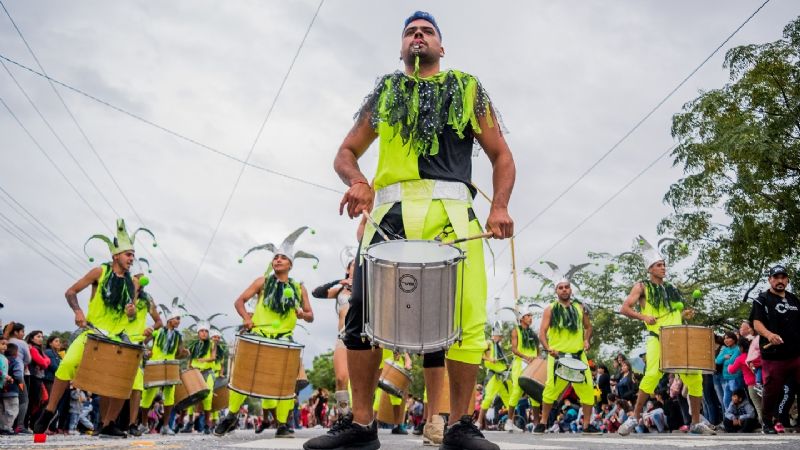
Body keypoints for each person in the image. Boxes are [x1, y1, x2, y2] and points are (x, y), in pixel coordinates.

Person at [306, 10, 515, 450]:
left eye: (427, 31)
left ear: (441, 46)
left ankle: (459, 426)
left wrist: (499, 206)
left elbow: (501, 156)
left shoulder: (467, 89)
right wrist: (358, 182)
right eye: (410, 32)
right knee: (362, 316)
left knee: (466, 318)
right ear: (402, 48)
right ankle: (362, 427)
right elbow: (346, 151)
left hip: (452, 217)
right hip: (389, 217)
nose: (418, 36)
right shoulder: (385, 93)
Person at [34, 218, 155, 438]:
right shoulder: (99, 272)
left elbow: (132, 313)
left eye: (133, 255)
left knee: (125, 379)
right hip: (93, 332)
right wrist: (78, 312)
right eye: (129, 254)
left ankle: (108, 424)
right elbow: (71, 292)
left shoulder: (133, 283)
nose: (132, 258)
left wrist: (131, 312)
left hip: (119, 337)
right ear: (116, 255)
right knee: (68, 364)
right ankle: (49, 411)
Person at [215, 227, 316, 438]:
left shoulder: (299, 288)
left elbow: (310, 315)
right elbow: (239, 301)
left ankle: (282, 425)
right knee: (244, 378)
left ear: (290, 264)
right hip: (259, 337)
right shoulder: (262, 281)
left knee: (285, 385)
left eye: (282, 258)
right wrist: (247, 318)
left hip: (284, 340)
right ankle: (231, 415)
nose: (278, 260)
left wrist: (301, 313)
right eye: (275, 258)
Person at [617, 236, 715, 435]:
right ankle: (634, 418)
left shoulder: (671, 288)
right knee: (652, 374)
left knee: (694, 376)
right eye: (659, 265)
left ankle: (696, 422)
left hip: (678, 338)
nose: (663, 268)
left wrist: (683, 314)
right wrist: (643, 315)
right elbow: (624, 308)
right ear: (650, 269)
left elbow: (676, 311)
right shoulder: (642, 286)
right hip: (657, 337)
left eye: (664, 265)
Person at [532, 276, 601, 434]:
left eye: (567, 287)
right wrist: (548, 348)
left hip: (578, 355)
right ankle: (543, 423)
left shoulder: (579, 307)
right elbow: (541, 332)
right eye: (561, 287)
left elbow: (588, 327)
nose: (564, 290)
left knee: (587, 389)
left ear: (571, 289)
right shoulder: (550, 309)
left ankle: (586, 425)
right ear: (556, 291)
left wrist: (586, 340)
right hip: (558, 356)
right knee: (551, 389)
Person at [750, 264, 800, 434]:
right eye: (776, 277)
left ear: (787, 280)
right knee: (772, 391)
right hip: (773, 356)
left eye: (783, 277)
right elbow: (756, 323)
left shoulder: (794, 299)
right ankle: (767, 423)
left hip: (795, 354)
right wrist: (769, 334)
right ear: (770, 279)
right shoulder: (762, 299)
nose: (780, 281)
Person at [311, 258, 355, 417]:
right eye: (353, 265)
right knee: (341, 378)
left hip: (361, 337)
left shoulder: (366, 287)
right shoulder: (339, 291)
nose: (356, 267)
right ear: (348, 269)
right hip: (343, 336)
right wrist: (339, 281)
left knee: (358, 381)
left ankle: (360, 417)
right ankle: (344, 415)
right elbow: (316, 292)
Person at [140, 298, 188, 435]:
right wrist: (146, 352)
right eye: (177, 319)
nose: (178, 321)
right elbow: (143, 342)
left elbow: (178, 354)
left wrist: (184, 353)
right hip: (155, 365)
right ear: (169, 320)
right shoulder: (157, 332)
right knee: (148, 395)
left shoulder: (179, 336)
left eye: (179, 319)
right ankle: (143, 424)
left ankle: (166, 426)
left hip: (170, 367)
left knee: (170, 397)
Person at [123, 271, 163, 436]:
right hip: (118, 338)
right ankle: (105, 422)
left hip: (136, 343)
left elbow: (159, 322)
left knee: (137, 384)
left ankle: (133, 423)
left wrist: (149, 331)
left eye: (140, 281)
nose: (138, 283)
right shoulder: (122, 293)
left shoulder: (147, 300)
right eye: (135, 280)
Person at [508, 307, 540, 432]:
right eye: (528, 315)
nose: (531, 318)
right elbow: (514, 349)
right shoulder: (515, 331)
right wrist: (526, 357)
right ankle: (509, 422)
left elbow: (538, 351)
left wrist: (537, 360)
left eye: (531, 316)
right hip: (520, 363)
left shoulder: (533, 333)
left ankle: (537, 424)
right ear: (522, 318)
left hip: (532, 365)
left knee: (534, 393)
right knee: (516, 391)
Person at [477, 324, 510, 431]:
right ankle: (478, 422)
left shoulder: (498, 346)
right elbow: (479, 353)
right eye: (499, 336)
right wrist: (489, 359)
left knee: (508, 399)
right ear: (494, 335)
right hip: (494, 375)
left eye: (501, 336)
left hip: (503, 376)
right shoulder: (489, 343)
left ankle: (511, 422)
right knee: (488, 399)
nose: (500, 338)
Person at [5, 322, 29, 434]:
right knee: (24, 399)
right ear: (16, 332)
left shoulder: (5, 340)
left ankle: (5, 425)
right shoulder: (21, 343)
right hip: (18, 378)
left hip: (5, 374)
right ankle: (19, 425)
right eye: (22, 331)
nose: (24, 334)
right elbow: (28, 359)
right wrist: (20, 382)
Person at [23, 330, 50, 430]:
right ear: (31, 338)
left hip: (38, 378)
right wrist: (44, 362)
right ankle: (27, 424)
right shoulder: (33, 349)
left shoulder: (39, 349)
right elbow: (43, 363)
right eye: (38, 336)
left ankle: (31, 424)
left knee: (40, 401)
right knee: (33, 401)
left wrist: (44, 361)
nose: (41, 339)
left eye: (42, 337)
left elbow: (47, 361)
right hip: (33, 377)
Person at [1, 339, 22, 435]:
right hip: (12, 389)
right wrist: (21, 387)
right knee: (12, 409)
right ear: (16, 352)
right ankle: (6, 427)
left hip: (2, 389)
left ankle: (2, 426)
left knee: (2, 409)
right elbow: (18, 376)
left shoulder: (3, 358)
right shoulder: (16, 361)